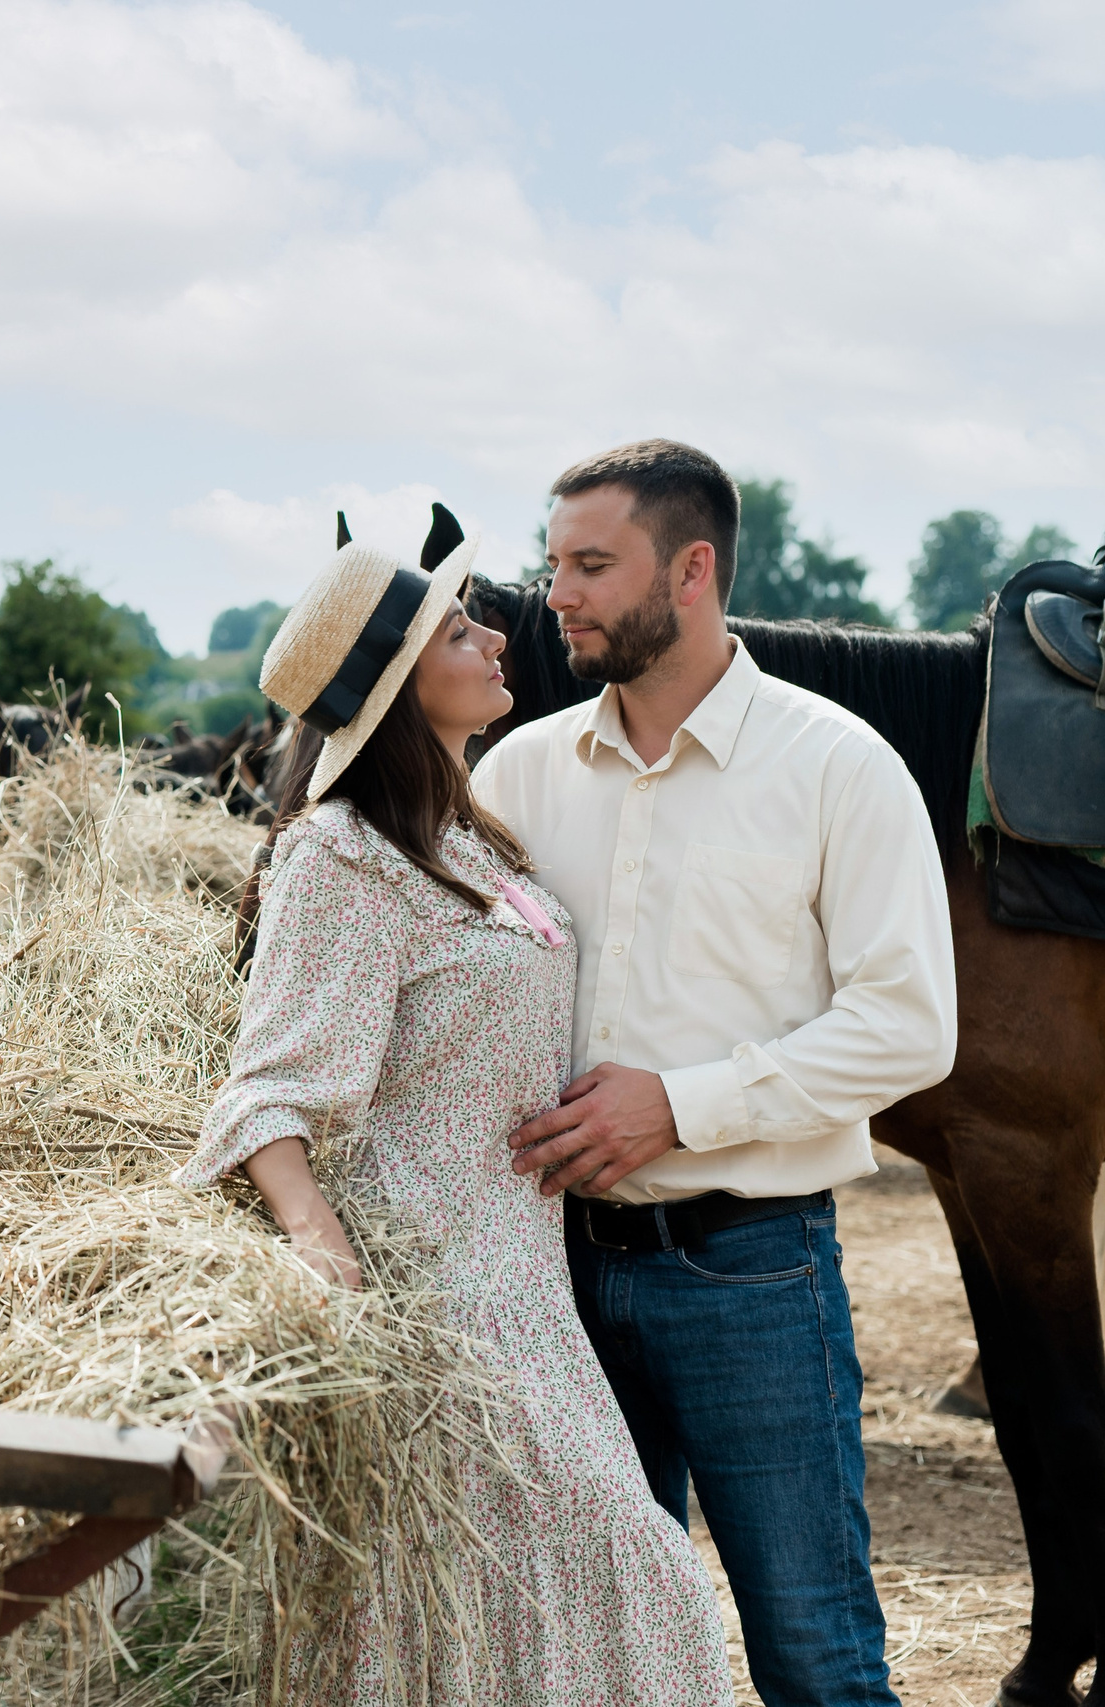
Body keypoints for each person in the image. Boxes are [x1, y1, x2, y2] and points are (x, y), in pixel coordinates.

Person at [177, 519, 731, 1705]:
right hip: (436, 1300)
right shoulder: (338, 854)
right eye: (455, 627)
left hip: (524, 1286)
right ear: (392, 685)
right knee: (636, 1579)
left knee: (537, 1608)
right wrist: (329, 1267)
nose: (493, 636)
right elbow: (269, 1086)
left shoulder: (470, 840)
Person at [475, 439, 958, 1707]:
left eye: (590, 565)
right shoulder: (516, 774)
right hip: (549, 1279)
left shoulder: (836, 766)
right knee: (596, 1666)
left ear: (691, 570)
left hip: (751, 1271)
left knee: (814, 1658)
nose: (555, 597)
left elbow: (910, 1028)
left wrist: (677, 1104)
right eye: (551, 566)